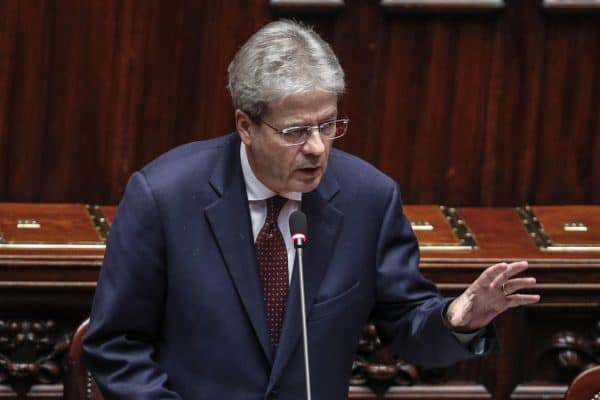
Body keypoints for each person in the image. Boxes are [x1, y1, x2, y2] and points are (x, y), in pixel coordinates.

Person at [83, 19, 539, 399]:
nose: (318, 148)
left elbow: (407, 326)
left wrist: (457, 319)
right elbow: (115, 345)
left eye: (329, 124)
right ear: (246, 125)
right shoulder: (164, 197)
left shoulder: (368, 199)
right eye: (296, 131)